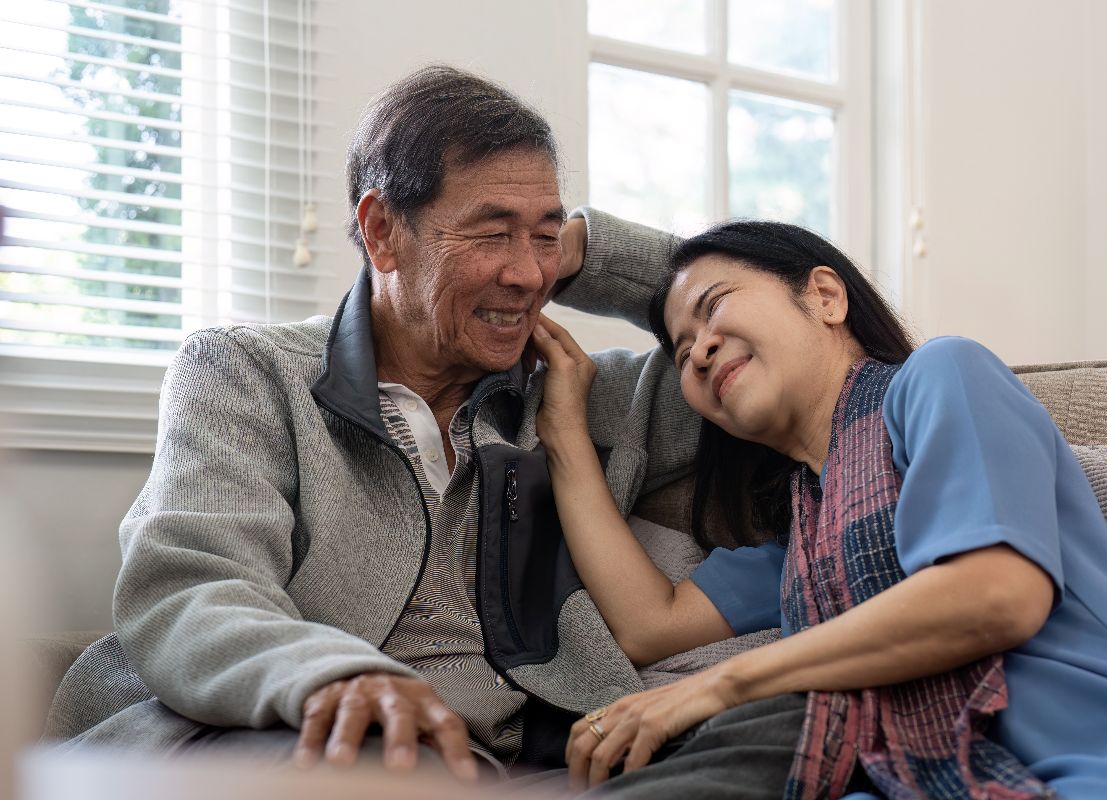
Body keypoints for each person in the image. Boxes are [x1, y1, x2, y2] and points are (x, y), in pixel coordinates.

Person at [46, 66, 708, 782]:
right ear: (381, 230)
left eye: (542, 237)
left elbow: (794, 325)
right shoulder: (247, 372)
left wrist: (587, 254)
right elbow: (193, 588)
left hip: (513, 762)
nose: (526, 276)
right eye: (493, 233)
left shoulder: (577, 394)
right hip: (281, 733)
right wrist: (335, 676)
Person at [532, 219, 1107, 798]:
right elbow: (649, 625)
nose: (700, 348)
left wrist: (719, 686)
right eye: (682, 351)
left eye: (715, 307)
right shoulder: (811, 553)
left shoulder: (945, 377)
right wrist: (562, 428)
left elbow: (997, 595)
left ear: (824, 295)